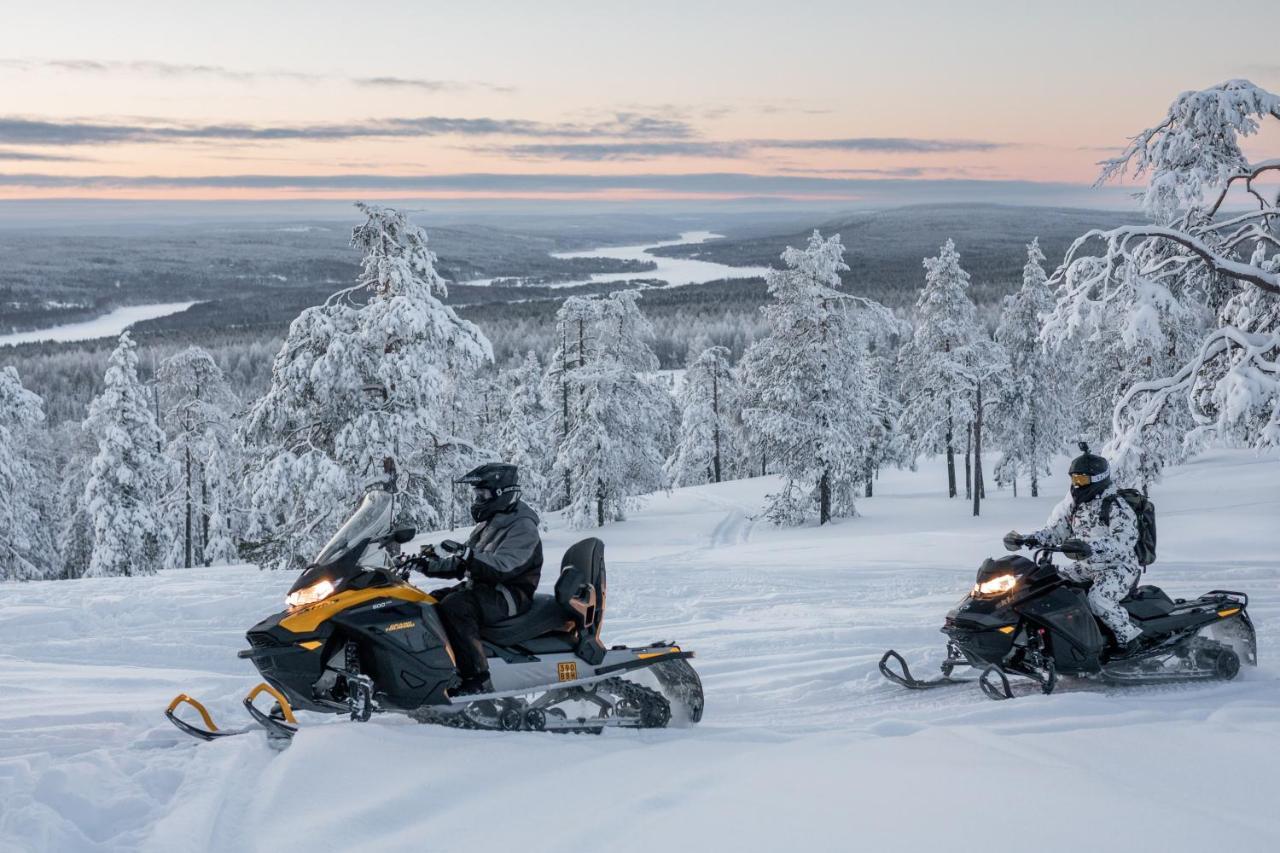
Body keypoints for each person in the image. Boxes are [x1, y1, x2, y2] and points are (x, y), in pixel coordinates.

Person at [415, 463, 542, 695]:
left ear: (501, 493)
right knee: (426, 603)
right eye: (477, 495)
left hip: (510, 594)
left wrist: (466, 555)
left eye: (482, 495)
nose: (478, 500)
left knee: (456, 607)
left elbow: (502, 567)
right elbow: (465, 561)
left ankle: (477, 679)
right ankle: (440, 671)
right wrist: (425, 565)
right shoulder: (493, 521)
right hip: (485, 587)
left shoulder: (523, 526)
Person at [1005, 445, 1144, 655]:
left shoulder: (1116, 506)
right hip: (1088, 567)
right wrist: (1030, 539)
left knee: (1099, 599)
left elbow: (1123, 542)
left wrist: (1090, 547)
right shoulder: (1078, 505)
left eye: (1082, 480)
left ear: (1098, 479)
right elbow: (1058, 530)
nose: (1077, 485)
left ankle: (1130, 640)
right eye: (1075, 479)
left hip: (1119, 568)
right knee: (1051, 585)